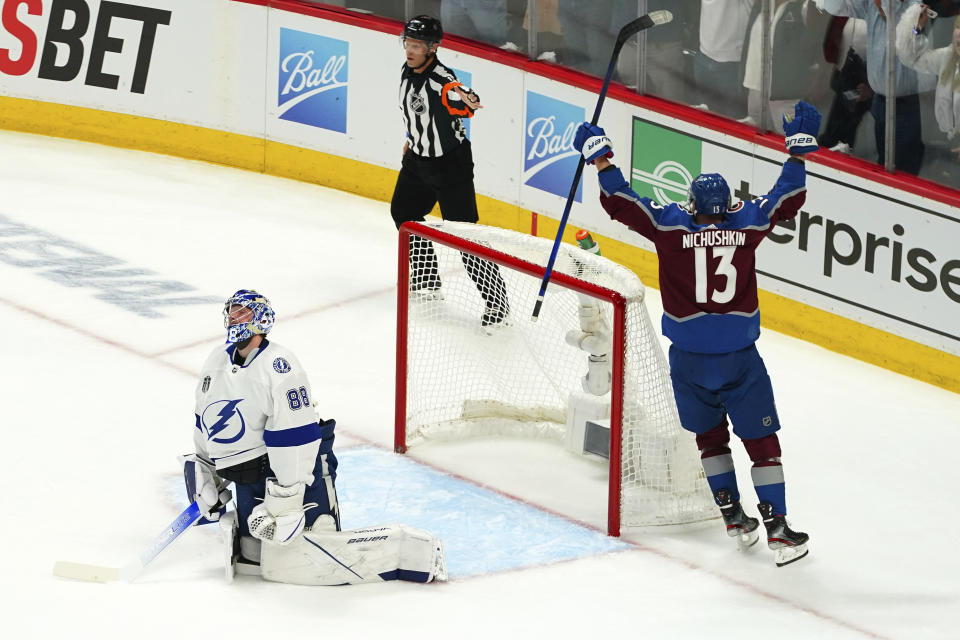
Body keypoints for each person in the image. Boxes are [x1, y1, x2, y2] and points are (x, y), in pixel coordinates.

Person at [572, 101, 820, 567]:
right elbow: (788, 198)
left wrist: (600, 158)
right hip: (739, 359)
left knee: (710, 439)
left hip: (686, 360)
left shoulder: (669, 226)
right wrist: (798, 153)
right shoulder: (746, 224)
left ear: (692, 206)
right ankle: (779, 530)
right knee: (762, 444)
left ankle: (734, 518)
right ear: (726, 208)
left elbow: (622, 202)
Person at [184, 289, 446, 584]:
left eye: (243, 313)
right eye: (232, 313)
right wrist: (206, 472)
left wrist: (287, 498)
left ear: (261, 319)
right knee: (253, 557)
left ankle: (409, 555)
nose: (235, 319)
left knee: (304, 555)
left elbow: (296, 436)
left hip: (295, 470)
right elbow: (205, 416)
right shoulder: (217, 359)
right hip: (250, 471)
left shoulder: (279, 365)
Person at [391, 15, 510, 327]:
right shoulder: (408, 69)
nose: (410, 49)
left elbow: (459, 97)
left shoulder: (440, 78)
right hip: (417, 161)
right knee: (404, 213)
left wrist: (469, 100)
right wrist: (412, 139)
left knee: (465, 238)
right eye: (408, 42)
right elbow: (417, 112)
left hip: (450, 168)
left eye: (417, 45)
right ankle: (428, 279)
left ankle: (498, 304)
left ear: (433, 47)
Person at [816, 0, 930, 174]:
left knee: (901, 170)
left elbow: (907, 43)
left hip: (904, 105)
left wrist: (916, 29)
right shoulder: (872, 4)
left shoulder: (914, 6)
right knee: (883, 164)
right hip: (879, 99)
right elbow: (836, 6)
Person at [896, 3, 960, 184]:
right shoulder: (947, 57)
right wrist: (916, 29)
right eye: (958, 27)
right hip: (944, 143)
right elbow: (911, 58)